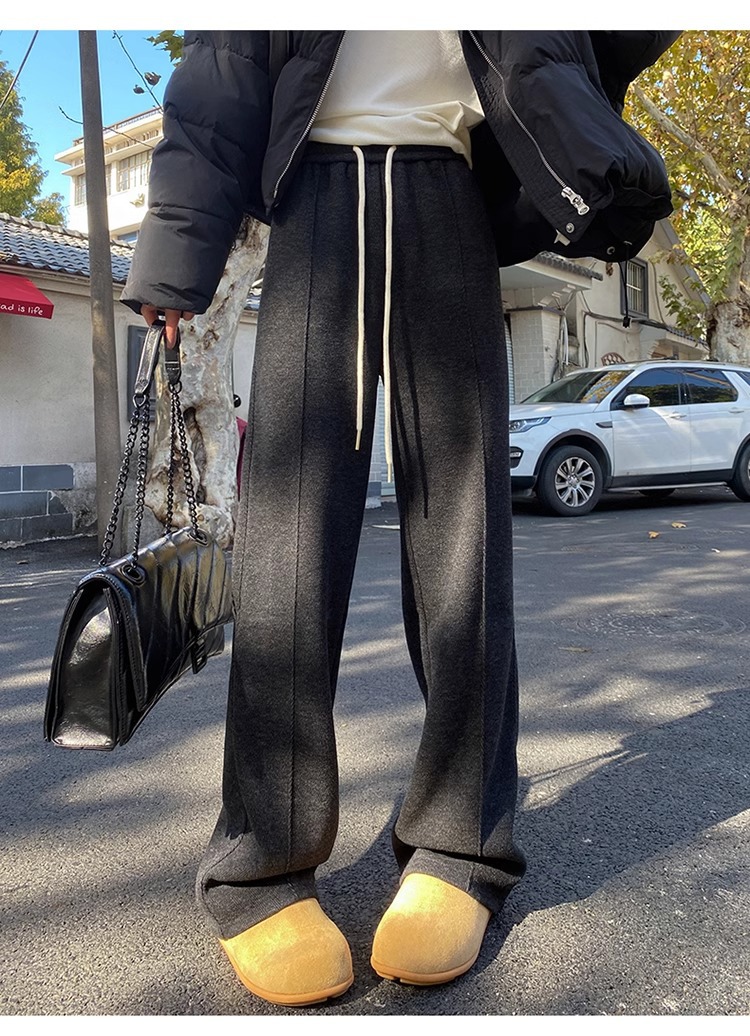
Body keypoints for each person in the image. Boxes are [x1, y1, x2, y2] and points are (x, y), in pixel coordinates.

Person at [122, 29, 679, 1007]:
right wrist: (176, 258)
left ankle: (461, 849)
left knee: (467, 549)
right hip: (313, 209)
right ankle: (261, 863)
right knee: (289, 550)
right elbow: (222, 78)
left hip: (453, 201)